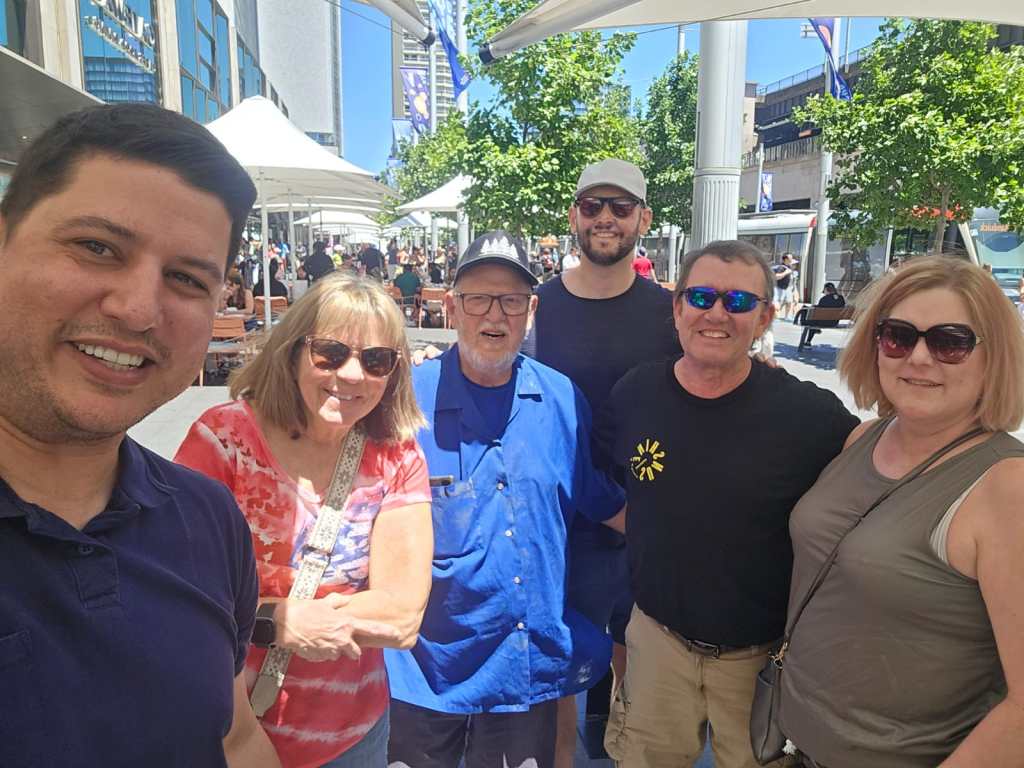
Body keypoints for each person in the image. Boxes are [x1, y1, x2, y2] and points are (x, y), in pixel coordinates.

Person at [0, 103, 279, 765]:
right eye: (97, 247)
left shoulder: (208, 518)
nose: (137, 309)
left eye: (185, 278)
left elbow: (234, 736)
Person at [596, 240, 859, 768]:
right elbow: (599, 478)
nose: (716, 313)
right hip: (657, 642)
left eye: (738, 302)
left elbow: (884, 464)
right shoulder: (636, 393)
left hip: (760, 658)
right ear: (677, 308)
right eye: (701, 297)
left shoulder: (808, 415)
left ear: (764, 317)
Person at [385, 231, 626, 768]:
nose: (495, 315)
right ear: (452, 309)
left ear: (531, 312)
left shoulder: (562, 398)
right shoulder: (404, 400)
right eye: (478, 299)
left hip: (522, 669)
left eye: (512, 301)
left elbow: (596, 495)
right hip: (424, 677)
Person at [175, 274, 433, 767]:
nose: (352, 374)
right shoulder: (225, 441)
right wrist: (279, 622)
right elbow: (179, 592)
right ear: (293, 352)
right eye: (330, 353)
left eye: (376, 360)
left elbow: (401, 617)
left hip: (352, 739)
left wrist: (263, 615)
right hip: (227, 733)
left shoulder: (396, 456)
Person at [778, 257, 1024, 768]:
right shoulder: (864, 438)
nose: (919, 358)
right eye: (898, 336)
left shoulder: (1007, 485)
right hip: (797, 742)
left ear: (994, 357)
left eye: (950, 342)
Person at [522, 158, 680, 766]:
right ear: (574, 216)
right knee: (560, 679)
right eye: (593, 206)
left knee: (641, 676)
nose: (606, 219)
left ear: (644, 218)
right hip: (559, 527)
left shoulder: (672, 312)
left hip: (649, 518)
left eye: (620, 207)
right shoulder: (536, 307)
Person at [797, 281, 847, 347]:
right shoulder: (841, 298)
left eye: (824, 291)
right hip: (834, 322)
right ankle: (812, 334)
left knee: (809, 315)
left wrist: (810, 307)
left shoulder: (824, 299)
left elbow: (818, 309)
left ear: (826, 289)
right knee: (814, 319)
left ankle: (808, 342)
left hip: (822, 322)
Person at [772, 253, 795, 317]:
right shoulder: (781, 267)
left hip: (786, 288)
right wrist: (786, 272)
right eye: (790, 258)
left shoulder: (789, 267)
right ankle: (776, 318)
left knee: (788, 302)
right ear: (786, 259)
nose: (791, 259)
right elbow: (777, 276)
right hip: (779, 288)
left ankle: (785, 317)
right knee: (777, 305)